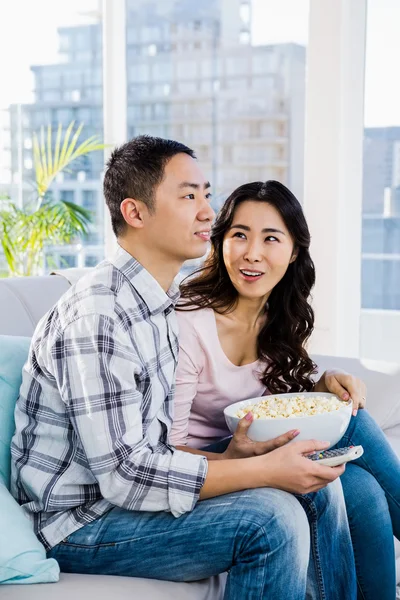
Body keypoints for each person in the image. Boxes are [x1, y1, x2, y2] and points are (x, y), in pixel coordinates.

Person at [11, 137, 356, 600]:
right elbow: (126, 477)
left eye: (206, 195)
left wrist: (232, 459)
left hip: (122, 499)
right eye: (189, 195)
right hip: (79, 525)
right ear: (135, 213)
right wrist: (265, 471)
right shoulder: (100, 316)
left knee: (320, 488)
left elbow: (157, 447)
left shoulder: (159, 303)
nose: (208, 213)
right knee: (273, 519)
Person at [171, 180, 400, 600]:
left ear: (293, 251)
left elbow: (282, 402)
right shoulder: (189, 322)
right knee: (353, 421)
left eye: (270, 238)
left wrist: (323, 385)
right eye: (239, 235)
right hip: (207, 474)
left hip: (258, 455)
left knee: (363, 490)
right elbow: (163, 450)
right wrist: (232, 459)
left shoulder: (279, 316)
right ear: (220, 243)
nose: (252, 253)